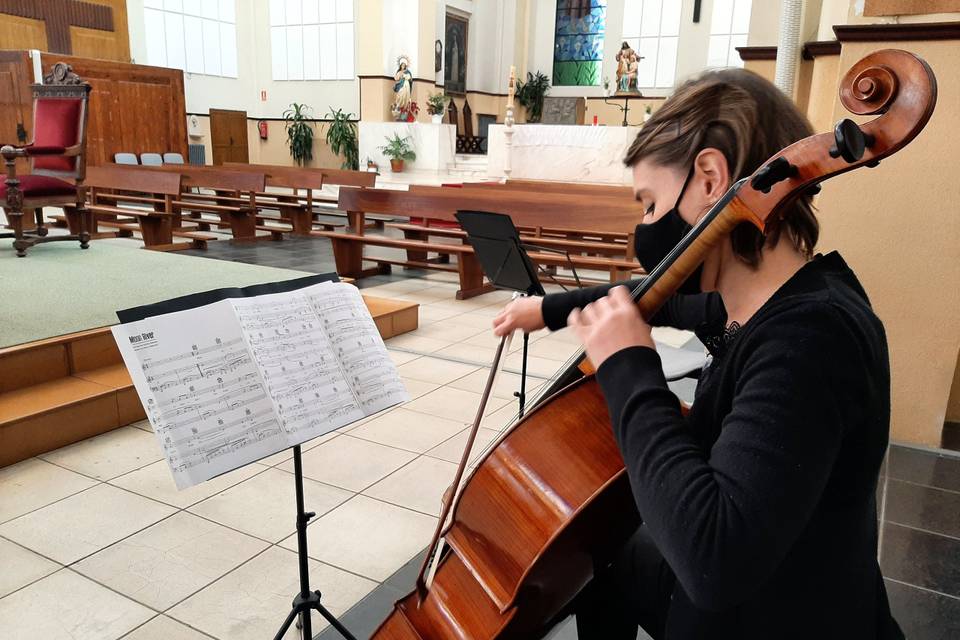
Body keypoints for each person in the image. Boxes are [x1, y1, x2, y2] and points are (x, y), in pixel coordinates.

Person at [493, 68, 901, 639]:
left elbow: (716, 561)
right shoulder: (759, 303)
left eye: (650, 203)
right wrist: (552, 309)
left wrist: (630, 370)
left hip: (785, 615)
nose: (645, 229)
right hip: (767, 588)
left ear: (710, 179)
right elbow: (648, 301)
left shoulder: (811, 337)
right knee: (599, 553)